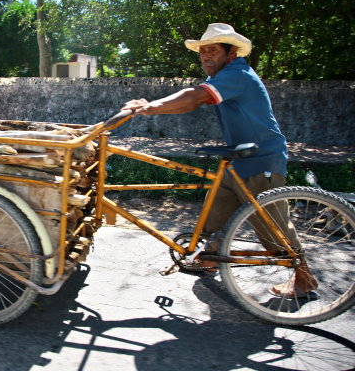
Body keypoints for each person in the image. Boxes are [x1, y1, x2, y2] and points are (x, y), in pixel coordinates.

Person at [122, 23, 317, 298]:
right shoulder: (228, 75)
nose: (205, 57)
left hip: (261, 160)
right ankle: (211, 257)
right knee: (214, 214)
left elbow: (195, 98)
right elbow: (194, 95)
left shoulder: (237, 74)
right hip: (240, 159)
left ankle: (304, 279)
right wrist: (150, 105)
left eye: (212, 50)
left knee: (274, 230)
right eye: (202, 52)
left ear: (232, 52)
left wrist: (148, 108)